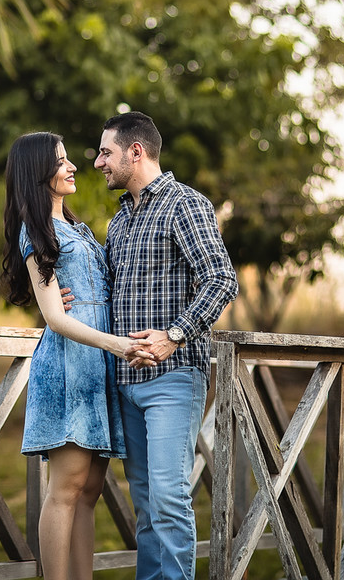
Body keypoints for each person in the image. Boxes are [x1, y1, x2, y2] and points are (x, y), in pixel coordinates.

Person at [94, 110, 239, 580]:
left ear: (135, 152)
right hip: (126, 382)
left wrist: (174, 335)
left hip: (173, 379)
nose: (98, 163)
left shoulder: (185, 204)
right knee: (145, 505)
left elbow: (221, 280)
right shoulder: (119, 222)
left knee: (168, 497)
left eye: (106, 153)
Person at [1, 131, 150, 580]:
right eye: (61, 162)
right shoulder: (37, 231)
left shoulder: (78, 228)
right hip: (69, 365)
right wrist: (120, 345)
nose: (71, 167)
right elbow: (55, 318)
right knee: (64, 490)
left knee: (90, 491)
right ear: (37, 173)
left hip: (98, 368)